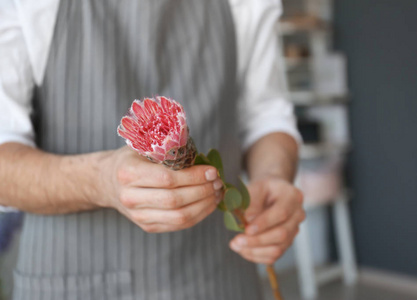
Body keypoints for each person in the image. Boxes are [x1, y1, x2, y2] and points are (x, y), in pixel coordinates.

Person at [0, 0, 305, 299]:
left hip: (221, 275)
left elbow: (266, 114)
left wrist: (274, 176)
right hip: (71, 280)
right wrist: (102, 181)